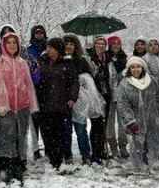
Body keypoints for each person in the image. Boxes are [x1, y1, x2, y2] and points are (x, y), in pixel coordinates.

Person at [0, 33, 39, 184]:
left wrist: (32, 104)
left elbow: (29, 84)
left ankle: (19, 163)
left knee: (20, 135)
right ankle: (6, 165)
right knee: (6, 136)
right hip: (6, 108)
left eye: (14, 43)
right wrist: (3, 104)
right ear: (3, 45)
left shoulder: (22, 62)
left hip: (22, 106)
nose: (12, 45)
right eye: (9, 43)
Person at [36, 38, 79, 170]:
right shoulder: (43, 62)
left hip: (62, 104)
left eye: (51, 48)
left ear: (58, 49)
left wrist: (72, 98)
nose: (48, 50)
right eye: (48, 47)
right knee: (48, 133)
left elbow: (74, 82)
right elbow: (38, 81)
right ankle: (52, 157)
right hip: (45, 104)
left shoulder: (67, 63)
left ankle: (60, 158)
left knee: (62, 132)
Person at [116, 56, 159, 173]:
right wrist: (130, 120)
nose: (135, 69)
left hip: (151, 117)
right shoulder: (124, 84)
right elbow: (122, 104)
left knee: (151, 140)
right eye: (132, 67)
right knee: (136, 142)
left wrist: (155, 111)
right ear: (129, 69)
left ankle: (150, 162)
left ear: (143, 68)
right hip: (134, 118)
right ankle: (138, 165)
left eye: (138, 67)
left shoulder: (151, 81)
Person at [63, 35, 93, 164]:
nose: (69, 46)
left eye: (72, 44)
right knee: (66, 130)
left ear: (76, 46)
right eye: (66, 44)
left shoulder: (81, 61)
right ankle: (67, 155)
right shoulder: (59, 60)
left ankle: (85, 154)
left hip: (80, 101)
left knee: (81, 129)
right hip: (63, 101)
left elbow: (89, 80)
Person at [86, 36, 112, 163]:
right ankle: (95, 153)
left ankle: (101, 149)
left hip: (106, 94)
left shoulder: (107, 58)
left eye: (103, 43)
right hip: (94, 94)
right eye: (98, 43)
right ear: (94, 45)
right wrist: (95, 70)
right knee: (96, 124)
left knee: (103, 125)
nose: (101, 45)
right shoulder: (89, 58)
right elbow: (88, 75)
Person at [26, 25, 48, 159]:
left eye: (41, 32)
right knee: (34, 122)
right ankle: (35, 149)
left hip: (47, 89)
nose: (39, 35)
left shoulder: (49, 48)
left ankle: (48, 147)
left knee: (46, 121)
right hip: (33, 88)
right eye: (36, 33)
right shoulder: (29, 50)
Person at [106, 36, 129, 159]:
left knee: (123, 122)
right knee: (109, 123)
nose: (116, 45)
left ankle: (123, 145)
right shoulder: (105, 58)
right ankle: (113, 146)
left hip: (122, 95)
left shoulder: (124, 58)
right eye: (113, 44)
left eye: (118, 43)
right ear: (109, 45)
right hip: (109, 95)